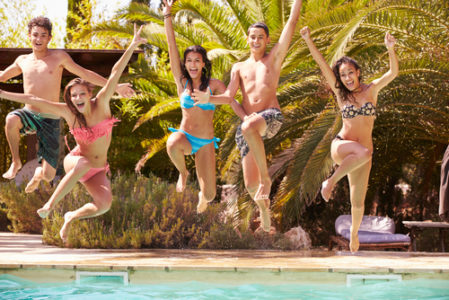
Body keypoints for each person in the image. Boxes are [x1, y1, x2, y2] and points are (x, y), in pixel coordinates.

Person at [0, 24, 146, 244]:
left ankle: (70, 217)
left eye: (81, 94)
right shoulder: (69, 113)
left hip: (97, 168)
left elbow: (115, 72)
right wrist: (3, 93)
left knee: (104, 205)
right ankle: (50, 205)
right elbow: (36, 101)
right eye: (73, 95)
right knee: (83, 162)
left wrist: (132, 45)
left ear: (90, 94)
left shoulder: (102, 104)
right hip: (76, 161)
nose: (77, 98)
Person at [192, 0, 303, 232]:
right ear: (247, 39)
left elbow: (291, 22)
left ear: (267, 40)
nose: (256, 40)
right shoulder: (238, 67)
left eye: (260, 37)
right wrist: (207, 99)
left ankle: (267, 177)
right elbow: (229, 97)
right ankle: (264, 209)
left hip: (270, 117)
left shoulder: (273, 59)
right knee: (251, 184)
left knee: (249, 127)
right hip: (249, 126)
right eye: (252, 36)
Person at [0, 16, 134, 193]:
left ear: (49, 38)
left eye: (43, 35)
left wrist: (115, 86)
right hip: (29, 113)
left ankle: (39, 173)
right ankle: (16, 161)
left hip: (50, 118)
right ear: (29, 36)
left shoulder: (58, 57)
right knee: (11, 120)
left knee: (49, 175)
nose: (38, 39)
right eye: (35, 35)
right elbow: (2, 76)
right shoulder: (22, 61)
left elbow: (85, 74)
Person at [300, 27, 398, 252]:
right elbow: (323, 65)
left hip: (362, 156)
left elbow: (392, 73)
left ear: (358, 72)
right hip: (342, 147)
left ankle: (354, 236)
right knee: (364, 152)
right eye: (343, 75)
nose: (346, 78)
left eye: (350, 73)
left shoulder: (371, 90)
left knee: (358, 201)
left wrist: (391, 50)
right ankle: (330, 182)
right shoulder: (340, 93)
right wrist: (308, 39)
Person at [162, 0, 246, 213]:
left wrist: (245, 118)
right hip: (185, 137)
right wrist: (167, 16)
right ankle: (183, 173)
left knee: (209, 194)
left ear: (203, 64)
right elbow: (171, 48)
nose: (192, 64)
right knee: (172, 142)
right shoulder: (182, 83)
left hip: (205, 142)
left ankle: (202, 195)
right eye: (189, 60)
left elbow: (230, 99)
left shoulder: (213, 85)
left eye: (197, 60)